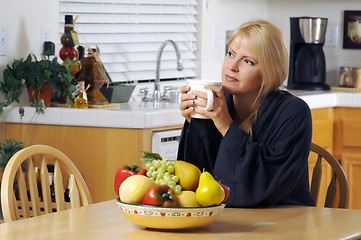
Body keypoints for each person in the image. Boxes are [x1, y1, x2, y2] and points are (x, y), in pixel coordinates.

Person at [177, 20, 315, 208]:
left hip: (285, 220)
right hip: (226, 223)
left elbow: (261, 188)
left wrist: (226, 126)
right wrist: (196, 124)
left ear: (269, 72)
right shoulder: (217, 105)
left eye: (248, 61)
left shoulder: (294, 112)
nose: (232, 66)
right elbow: (196, 183)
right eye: (231, 54)